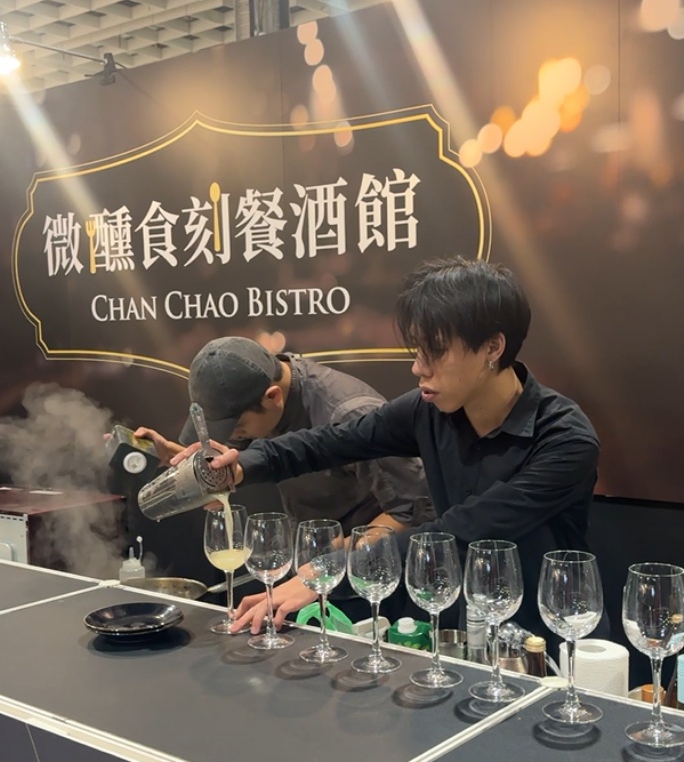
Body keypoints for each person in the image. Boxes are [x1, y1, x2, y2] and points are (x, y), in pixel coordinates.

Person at [175, 258, 602, 641]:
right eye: (417, 351)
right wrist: (241, 466)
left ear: (493, 347)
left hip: (549, 638)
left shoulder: (564, 439)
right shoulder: (428, 410)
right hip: (457, 630)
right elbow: (333, 440)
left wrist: (324, 574)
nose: (418, 367)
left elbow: (461, 533)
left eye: (435, 352)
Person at [136, 336, 433, 623]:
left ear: (273, 397)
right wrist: (178, 457)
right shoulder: (264, 396)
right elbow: (263, 457)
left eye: (237, 427)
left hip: (370, 587)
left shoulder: (347, 411)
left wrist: (324, 568)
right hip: (309, 577)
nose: (232, 437)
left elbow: (411, 512)